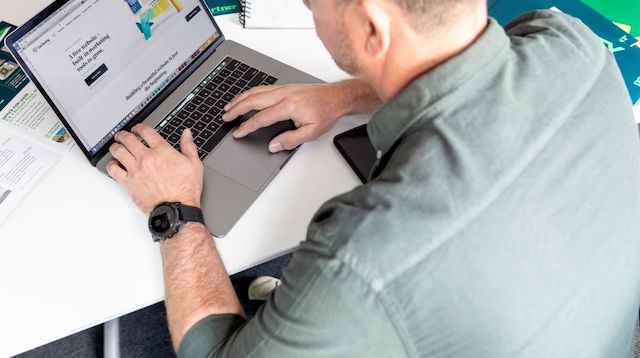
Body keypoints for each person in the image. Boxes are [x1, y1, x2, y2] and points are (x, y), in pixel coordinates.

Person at [106, 0, 640, 356]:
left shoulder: (360, 255)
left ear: (372, 27)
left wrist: (176, 210)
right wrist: (341, 95)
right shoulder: (570, 44)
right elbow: (464, 53)